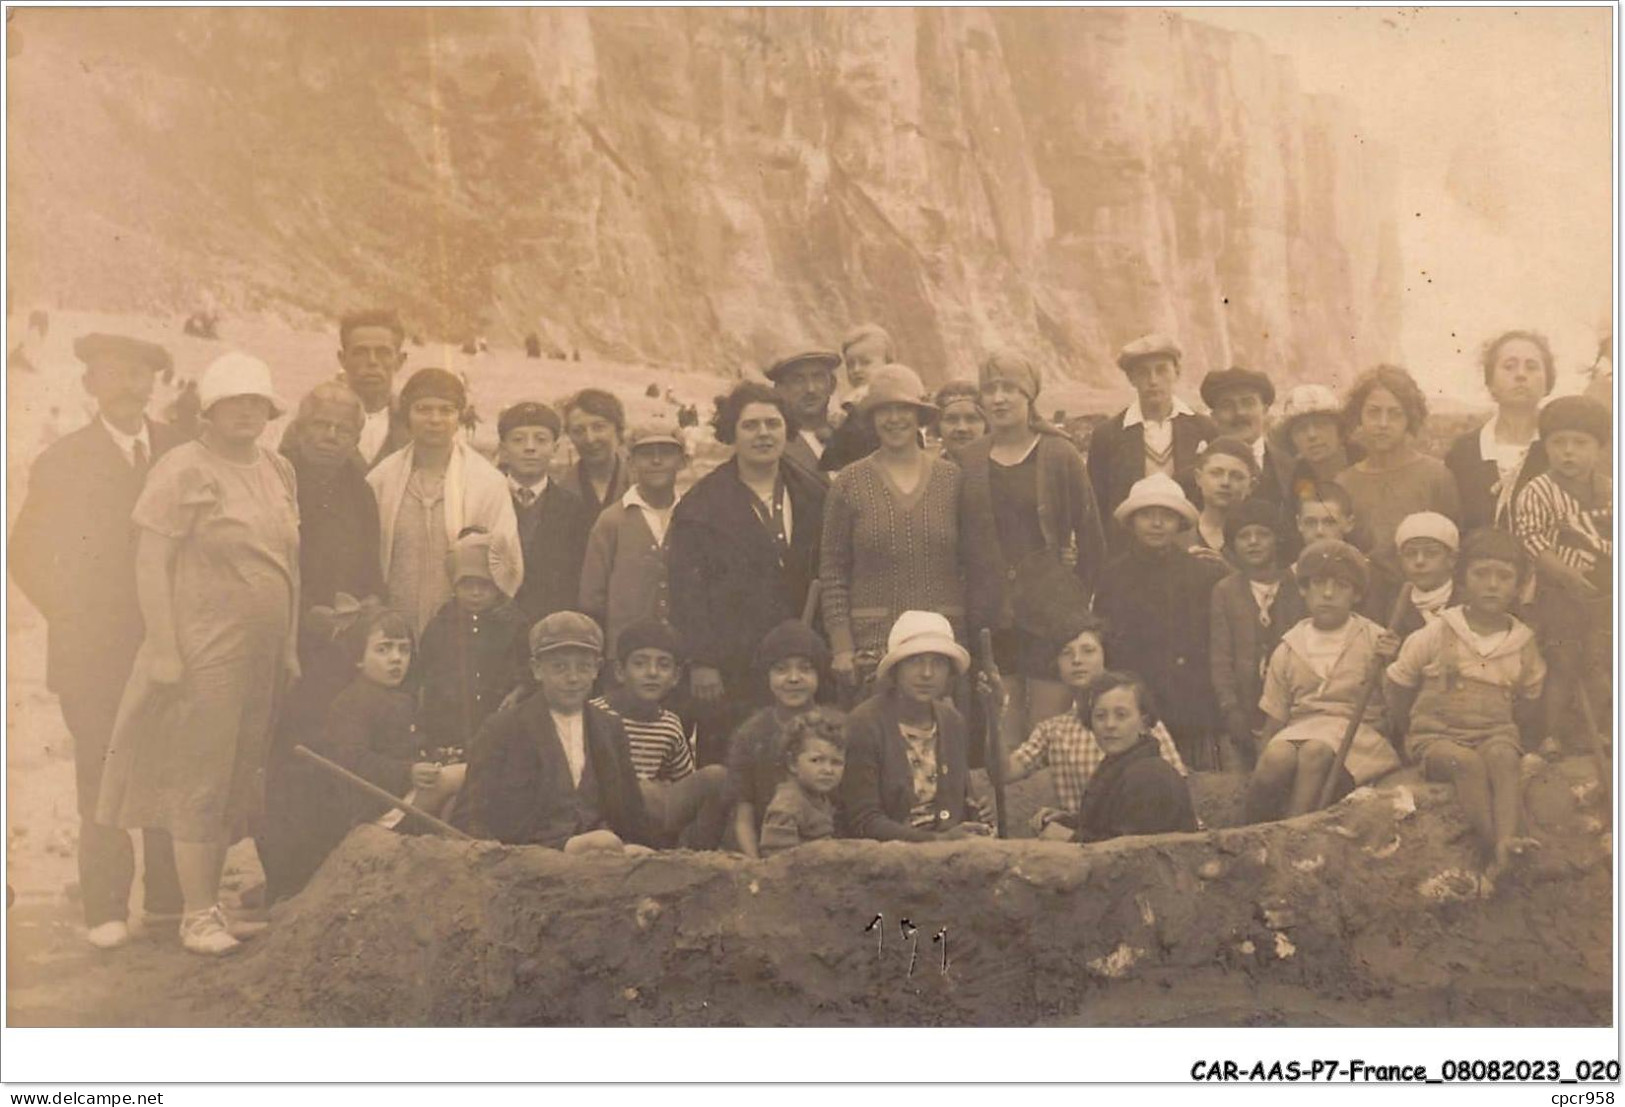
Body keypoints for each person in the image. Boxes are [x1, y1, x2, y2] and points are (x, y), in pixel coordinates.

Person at [96, 352, 300, 956]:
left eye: (256, 402)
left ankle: (211, 908)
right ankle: (196, 915)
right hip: (205, 649)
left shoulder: (278, 468)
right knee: (199, 776)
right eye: (232, 402)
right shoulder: (182, 467)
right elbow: (150, 561)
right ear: (208, 410)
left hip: (262, 655)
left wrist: (288, 643)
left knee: (237, 774)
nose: (246, 412)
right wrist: (163, 646)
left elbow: (290, 561)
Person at [9, 332, 183, 949]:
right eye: (114, 374)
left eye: (140, 374)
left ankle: (168, 901)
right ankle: (106, 907)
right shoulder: (63, 460)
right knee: (102, 776)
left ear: (154, 383)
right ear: (90, 385)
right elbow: (25, 554)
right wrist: (75, 614)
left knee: (168, 768)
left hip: (170, 645)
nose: (129, 386)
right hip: (92, 656)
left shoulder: (179, 451)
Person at [958, 348, 1106, 756]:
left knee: (1048, 732)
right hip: (991, 617)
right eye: (990, 390)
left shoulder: (1058, 454)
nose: (999, 399)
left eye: (1010, 389)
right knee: (1002, 736)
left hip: (1050, 615)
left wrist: (1075, 601)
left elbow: (1092, 538)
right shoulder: (968, 460)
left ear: (1030, 396)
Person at [668, 382, 826, 757]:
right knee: (736, 767)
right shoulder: (700, 505)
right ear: (731, 433)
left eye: (772, 424)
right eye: (750, 425)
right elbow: (686, 592)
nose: (763, 434)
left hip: (800, 664)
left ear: (787, 430)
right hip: (733, 668)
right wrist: (703, 661)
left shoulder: (814, 493)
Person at [1385, 529, 1545, 892]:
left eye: (1504, 577)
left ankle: (1510, 837)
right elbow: (1397, 682)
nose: (1492, 585)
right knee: (1467, 764)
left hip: (1493, 733)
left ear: (1519, 585)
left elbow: (1531, 694)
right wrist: (1406, 732)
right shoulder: (1439, 632)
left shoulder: (1522, 643)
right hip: (1438, 737)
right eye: (1481, 574)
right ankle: (1496, 849)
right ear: (1462, 579)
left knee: (1504, 757)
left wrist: (1514, 732)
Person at [265, 608, 435, 902]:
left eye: (403, 650)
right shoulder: (352, 703)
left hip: (395, 791)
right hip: (371, 805)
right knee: (453, 780)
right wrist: (408, 772)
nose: (396, 659)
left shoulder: (402, 699)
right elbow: (351, 762)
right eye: (383, 650)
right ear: (359, 658)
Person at [820, 364, 965, 698]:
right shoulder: (850, 482)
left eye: (904, 409)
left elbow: (969, 564)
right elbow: (832, 571)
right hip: (873, 644)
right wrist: (842, 646)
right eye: (885, 410)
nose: (895, 419)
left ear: (920, 416)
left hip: (940, 642)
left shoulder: (952, 478)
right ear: (871, 418)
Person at [453, 613, 653, 852]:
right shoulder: (503, 728)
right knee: (604, 843)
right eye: (559, 667)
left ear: (597, 670)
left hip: (601, 854)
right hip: (533, 854)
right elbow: (470, 816)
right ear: (537, 669)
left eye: (583, 667)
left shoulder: (609, 728)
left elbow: (633, 812)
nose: (573, 678)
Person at [1246, 540, 1402, 823]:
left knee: (1314, 752)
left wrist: (1391, 664)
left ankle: (1295, 828)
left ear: (1356, 594)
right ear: (1304, 589)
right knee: (1277, 757)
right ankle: (1248, 829)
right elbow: (1275, 719)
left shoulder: (1374, 640)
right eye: (1319, 583)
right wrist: (1263, 756)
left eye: (1341, 585)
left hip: (1358, 735)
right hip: (1301, 728)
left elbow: (1396, 707)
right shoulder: (1290, 647)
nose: (1328, 593)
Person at [998, 613, 1187, 837]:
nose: (1077, 660)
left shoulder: (1139, 722)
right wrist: (995, 715)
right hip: (1090, 840)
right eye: (1066, 653)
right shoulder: (1053, 730)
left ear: (1105, 656)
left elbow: (1168, 799)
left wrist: (1071, 835)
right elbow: (1003, 772)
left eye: (1088, 651)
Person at [369, 368, 522, 635]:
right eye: (423, 409)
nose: (435, 419)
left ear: (460, 416)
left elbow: (506, 562)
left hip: (460, 629)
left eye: (446, 410)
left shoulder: (486, 482)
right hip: (395, 624)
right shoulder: (382, 478)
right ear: (407, 414)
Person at [1093, 474, 1230, 769]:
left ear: (1179, 522)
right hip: (1136, 697)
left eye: (1166, 517)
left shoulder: (1202, 575)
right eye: (1147, 516)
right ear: (1132, 522)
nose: (1156, 524)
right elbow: (1106, 640)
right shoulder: (1114, 576)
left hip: (1188, 700)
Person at [1513, 395, 1612, 751]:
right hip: (1555, 593)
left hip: (1604, 592)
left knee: (1603, 661)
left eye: (1580, 443)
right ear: (1546, 446)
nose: (1569, 452)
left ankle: (1594, 729)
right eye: (1559, 443)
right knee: (1563, 661)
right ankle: (1550, 734)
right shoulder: (1538, 491)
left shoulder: (1610, 489)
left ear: (1600, 447)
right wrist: (1567, 575)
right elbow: (1532, 540)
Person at [839, 612, 989, 842]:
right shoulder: (865, 723)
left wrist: (973, 815)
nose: (927, 674)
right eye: (915, 661)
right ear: (896, 669)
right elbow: (864, 820)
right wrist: (937, 842)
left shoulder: (952, 721)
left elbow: (957, 802)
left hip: (949, 850)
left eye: (937, 663)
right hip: (888, 856)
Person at [588, 618, 729, 847]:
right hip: (604, 818)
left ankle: (692, 857)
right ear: (620, 671)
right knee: (639, 788)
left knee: (717, 776)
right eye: (640, 664)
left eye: (663, 665)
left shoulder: (670, 725)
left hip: (650, 820)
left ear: (675, 676)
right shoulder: (594, 714)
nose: (652, 673)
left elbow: (683, 785)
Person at [1334, 364, 1461, 579]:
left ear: (1409, 419)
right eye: (1374, 412)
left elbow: (1454, 547)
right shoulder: (1344, 483)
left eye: (1394, 414)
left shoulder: (1436, 477)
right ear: (1359, 416)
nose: (1383, 424)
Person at [1208, 499, 1307, 771]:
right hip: (1244, 704)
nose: (1253, 542)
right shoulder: (1226, 591)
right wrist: (1230, 708)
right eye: (1243, 536)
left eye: (1262, 534)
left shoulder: (1297, 587)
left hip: (1293, 707)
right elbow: (1220, 656)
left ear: (1277, 539)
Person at [1088, 333, 1217, 536]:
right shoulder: (1108, 434)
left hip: (1189, 542)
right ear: (1131, 379)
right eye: (1143, 372)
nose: (1153, 380)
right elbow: (1097, 502)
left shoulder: (1204, 428)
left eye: (1162, 370)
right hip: (1128, 546)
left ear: (1177, 372)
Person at [416, 530, 527, 765]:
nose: (476, 593)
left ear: (497, 586)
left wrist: (518, 692)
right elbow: (424, 672)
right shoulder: (440, 625)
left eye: (484, 585)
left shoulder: (513, 624)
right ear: (455, 586)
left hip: (496, 716)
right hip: (450, 721)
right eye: (467, 584)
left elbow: (529, 668)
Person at [579, 417, 687, 657]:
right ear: (631, 461)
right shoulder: (612, 521)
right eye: (646, 453)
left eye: (666, 453)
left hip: (680, 657)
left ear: (682, 461)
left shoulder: (693, 517)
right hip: (625, 659)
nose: (656, 461)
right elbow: (592, 600)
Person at [726, 620, 830, 860]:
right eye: (781, 669)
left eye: (805, 668)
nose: (794, 678)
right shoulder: (751, 735)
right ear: (767, 675)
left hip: (826, 850)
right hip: (768, 849)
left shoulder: (834, 729)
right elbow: (743, 814)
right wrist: (757, 866)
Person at [1063, 672, 1198, 844]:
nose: (1110, 725)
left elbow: (1130, 851)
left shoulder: (1149, 776)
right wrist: (1070, 822)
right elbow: (1114, 824)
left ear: (1144, 723)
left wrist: (1070, 837)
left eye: (1121, 715)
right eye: (1100, 716)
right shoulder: (1118, 765)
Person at [1444, 331, 1553, 532]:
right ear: (1490, 382)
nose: (1521, 375)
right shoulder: (1464, 451)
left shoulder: (1561, 446)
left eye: (1532, 366)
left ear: (1548, 382)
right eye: (1509, 367)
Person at [497, 401, 590, 624]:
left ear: (555, 449)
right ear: (503, 450)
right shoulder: (486, 501)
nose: (530, 448)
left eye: (541, 439)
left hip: (551, 630)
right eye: (518, 440)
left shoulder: (574, 509)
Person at [757, 710, 847, 857]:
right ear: (793, 764)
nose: (828, 770)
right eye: (816, 760)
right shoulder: (787, 805)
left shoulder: (820, 797)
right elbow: (777, 858)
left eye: (836, 762)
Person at [1200, 365, 1291, 507]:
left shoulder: (1290, 468)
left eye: (1248, 403)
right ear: (1214, 417)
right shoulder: (1196, 473)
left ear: (1265, 410)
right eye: (1227, 405)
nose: (1240, 413)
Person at [335, 309, 411, 469]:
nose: (372, 361)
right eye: (360, 352)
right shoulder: (311, 422)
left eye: (383, 352)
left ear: (400, 360)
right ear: (343, 359)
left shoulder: (414, 422)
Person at [1276, 384, 1360, 527]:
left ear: (1339, 431)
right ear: (1292, 440)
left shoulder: (1364, 462)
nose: (1312, 435)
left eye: (1321, 425)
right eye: (1301, 429)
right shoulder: (1297, 478)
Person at [820, 323, 894, 472]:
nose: (856, 370)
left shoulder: (895, 401)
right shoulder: (849, 404)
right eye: (850, 365)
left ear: (888, 364)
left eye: (865, 362)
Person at [766, 348, 842, 488]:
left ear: (832, 385)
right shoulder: (774, 447)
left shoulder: (847, 437)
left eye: (818, 377)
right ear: (780, 390)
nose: (810, 389)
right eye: (798, 380)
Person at [558, 389, 632, 516]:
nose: (590, 439)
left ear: (618, 428)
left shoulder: (640, 483)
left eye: (599, 427)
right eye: (578, 430)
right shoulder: (559, 491)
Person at [1188, 437, 1260, 559]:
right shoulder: (1180, 537)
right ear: (1198, 478)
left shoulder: (1258, 541)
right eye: (1216, 473)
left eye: (1237, 476)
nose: (1225, 482)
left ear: (1251, 486)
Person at [1392, 512, 1461, 638]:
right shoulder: (1392, 607)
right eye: (1410, 553)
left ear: (1452, 559)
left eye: (1431, 553)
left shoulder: (1469, 604)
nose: (1419, 561)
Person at [933, 380, 987, 458]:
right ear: (937, 425)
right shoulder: (927, 469)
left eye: (972, 419)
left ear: (987, 424)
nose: (962, 428)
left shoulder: (1002, 468)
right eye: (951, 420)